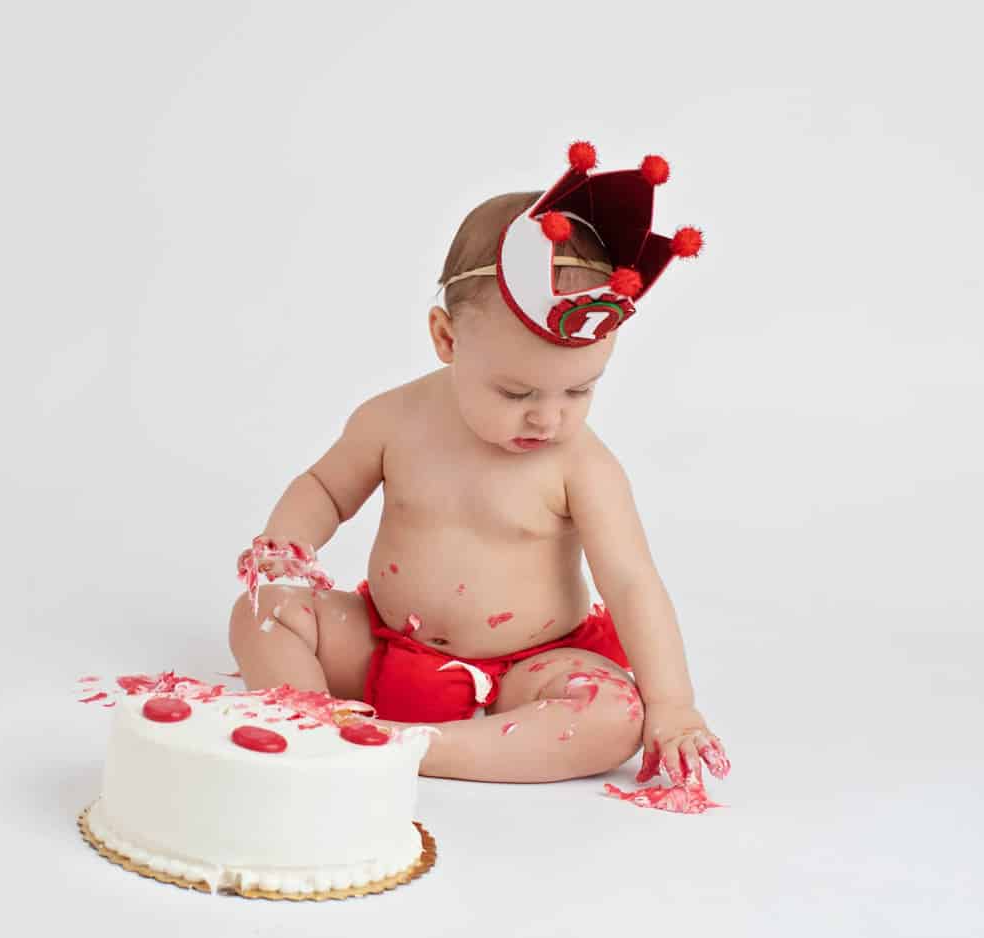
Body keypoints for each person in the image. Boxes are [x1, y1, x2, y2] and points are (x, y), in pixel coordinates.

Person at [227, 140, 729, 792]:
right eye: (516, 393)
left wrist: (671, 704)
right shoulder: (392, 420)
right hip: (385, 648)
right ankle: (309, 718)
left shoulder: (584, 468)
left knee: (613, 716)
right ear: (446, 340)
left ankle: (411, 747)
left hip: (531, 669)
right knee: (262, 611)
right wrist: (287, 556)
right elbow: (324, 488)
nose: (548, 419)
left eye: (579, 391)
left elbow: (632, 584)